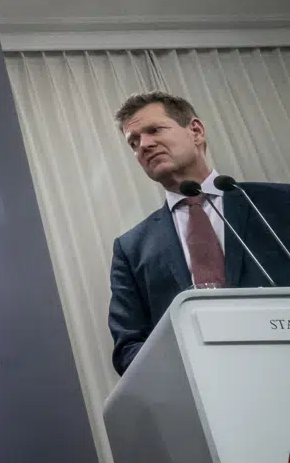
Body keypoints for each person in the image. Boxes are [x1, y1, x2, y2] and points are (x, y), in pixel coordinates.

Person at [108, 91, 290, 375]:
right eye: (134, 142)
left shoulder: (279, 203)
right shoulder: (131, 248)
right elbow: (128, 346)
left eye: (154, 130)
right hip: (202, 386)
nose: (144, 145)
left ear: (196, 131)